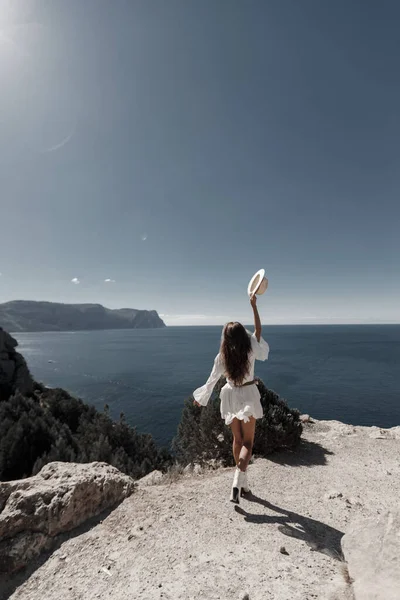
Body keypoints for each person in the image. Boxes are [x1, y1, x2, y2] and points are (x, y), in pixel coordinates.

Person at [193, 294, 269, 504]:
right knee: (248, 442)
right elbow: (259, 332)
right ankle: (238, 479)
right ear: (243, 337)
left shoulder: (222, 356)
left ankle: (242, 483)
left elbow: (212, 379)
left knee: (236, 440)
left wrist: (201, 398)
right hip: (247, 394)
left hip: (229, 394)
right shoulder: (250, 350)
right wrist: (254, 307)